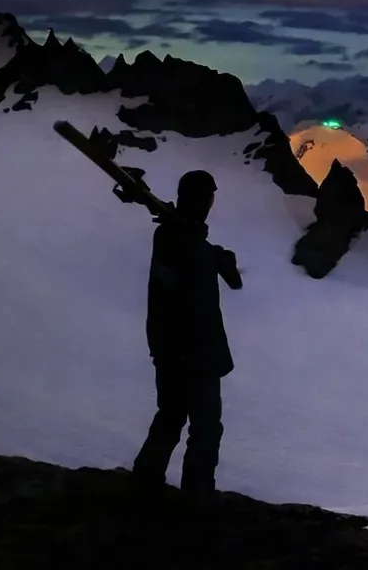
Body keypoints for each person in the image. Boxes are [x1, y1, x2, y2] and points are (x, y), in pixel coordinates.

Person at [130, 169, 243, 501]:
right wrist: (215, 257)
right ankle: (196, 496)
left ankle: (145, 485)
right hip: (195, 352)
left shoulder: (176, 236)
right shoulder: (179, 238)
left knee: (172, 417)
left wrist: (211, 253)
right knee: (205, 427)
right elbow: (191, 273)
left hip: (172, 350)